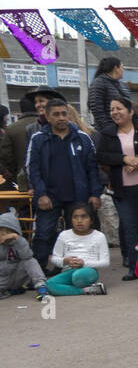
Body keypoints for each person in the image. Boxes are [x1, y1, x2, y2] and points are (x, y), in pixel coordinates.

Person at [26, 98, 103, 266]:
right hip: (49, 196)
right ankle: (39, 271)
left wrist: (95, 194)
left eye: (64, 113)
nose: (61, 117)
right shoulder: (38, 139)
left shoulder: (82, 138)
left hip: (78, 196)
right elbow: (33, 170)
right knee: (44, 234)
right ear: (47, 116)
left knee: (77, 235)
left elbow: (92, 169)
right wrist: (41, 194)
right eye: (56, 114)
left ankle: (74, 269)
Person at [95, 97, 138, 281]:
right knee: (130, 229)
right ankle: (135, 268)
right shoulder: (107, 133)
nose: (115, 112)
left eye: (119, 108)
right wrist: (124, 159)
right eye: (112, 109)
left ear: (131, 111)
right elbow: (101, 156)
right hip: (122, 191)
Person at [45, 203, 110, 295]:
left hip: (88, 271)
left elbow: (105, 262)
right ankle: (87, 290)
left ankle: (68, 288)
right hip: (68, 271)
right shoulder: (64, 235)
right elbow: (54, 258)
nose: (79, 221)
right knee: (49, 285)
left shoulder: (99, 236)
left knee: (78, 276)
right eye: (75, 217)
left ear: (91, 220)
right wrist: (65, 261)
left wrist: (84, 263)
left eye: (84, 217)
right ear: (71, 220)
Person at [0, 209, 48, 297]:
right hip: (2, 279)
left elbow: (27, 256)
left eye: (8, 231)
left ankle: (41, 286)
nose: (4, 234)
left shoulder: (19, 241)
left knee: (30, 261)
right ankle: (10, 292)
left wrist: (17, 239)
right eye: (1, 231)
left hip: (17, 277)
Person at [87, 57, 131, 134]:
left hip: (124, 130)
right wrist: (108, 129)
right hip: (107, 132)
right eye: (122, 67)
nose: (123, 70)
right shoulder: (99, 83)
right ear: (116, 68)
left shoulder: (123, 85)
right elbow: (96, 108)